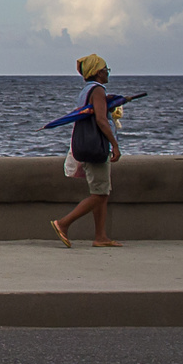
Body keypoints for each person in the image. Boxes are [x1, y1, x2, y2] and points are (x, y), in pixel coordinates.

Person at [52, 53, 123, 248]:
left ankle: (100, 236)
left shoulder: (86, 91)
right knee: (99, 194)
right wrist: (115, 145)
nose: (107, 73)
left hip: (84, 144)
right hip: (96, 146)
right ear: (98, 72)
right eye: (105, 70)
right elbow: (100, 119)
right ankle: (63, 223)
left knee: (101, 191)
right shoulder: (98, 90)